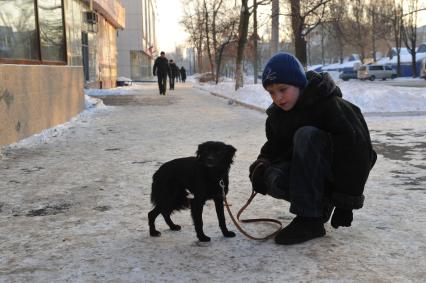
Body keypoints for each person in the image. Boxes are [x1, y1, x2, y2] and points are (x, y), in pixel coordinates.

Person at [249, 53, 377, 245]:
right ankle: (319, 206)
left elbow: (357, 154)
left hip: (340, 170)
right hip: (311, 173)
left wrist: (347, 202)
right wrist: (262, 164)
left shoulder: (331, 106)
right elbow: (276, 146)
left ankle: (309, 220)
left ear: (299, 83)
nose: (278, 98)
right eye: (272, 92)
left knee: (306, 135)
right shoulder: (278, 115)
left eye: (283, 89)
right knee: (272, 176)